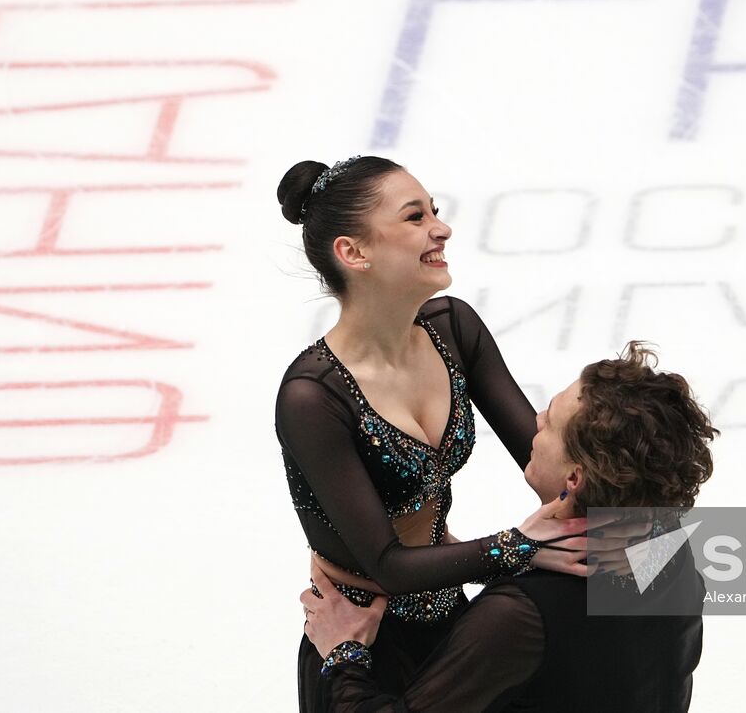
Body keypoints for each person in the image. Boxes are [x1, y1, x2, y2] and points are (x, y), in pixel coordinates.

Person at [273, 156, 588, 711]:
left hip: (456, 623)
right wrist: (521, 547)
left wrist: (645, 528)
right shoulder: (313, 396)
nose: (442, 229)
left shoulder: (454, 328)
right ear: (354, 252)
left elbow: (550, 463)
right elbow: (387, 564)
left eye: (434, 212)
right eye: (415, 217)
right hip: (361, 641)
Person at [301, 341, 718, 712]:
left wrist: (343, 652)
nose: (536, 420)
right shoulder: (670, 552)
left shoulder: (518, 617)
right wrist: (479, 558)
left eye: (550, 421)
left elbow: (559, 623)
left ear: (574, 478)